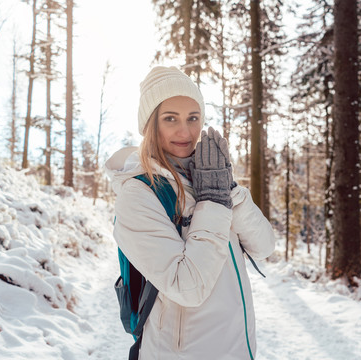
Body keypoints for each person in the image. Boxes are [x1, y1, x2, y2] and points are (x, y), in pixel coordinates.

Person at [105, 66, 275, 360]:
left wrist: (228, 189)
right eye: (170, 118)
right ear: (150, 125)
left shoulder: (209, 177)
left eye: (193, 118)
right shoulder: (138, 194)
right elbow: (188, 287)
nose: (185, 131)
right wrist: (213, 201)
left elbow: (264, 246)